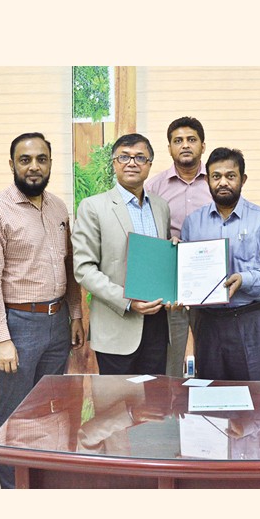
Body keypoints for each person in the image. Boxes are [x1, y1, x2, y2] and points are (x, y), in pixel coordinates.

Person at [0, 131, 85, 488]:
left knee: (49, 411)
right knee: (14, 414)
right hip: (18, 326)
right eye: (25, 160)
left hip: (58, 323)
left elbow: (69, 267)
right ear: (12, 164)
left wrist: (76, 314)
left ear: (50, 163)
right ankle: (13, 488)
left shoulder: (58, 208)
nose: (34, 166)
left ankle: (39, 483)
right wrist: (1, 339)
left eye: (41, 159)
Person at [181, 147, 260, 381]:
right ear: (207, 180)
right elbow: (184, 271)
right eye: (216, 176)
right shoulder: (193, 223)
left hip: (250, 319)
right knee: (210, 391)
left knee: (253, 392)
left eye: (230, 176)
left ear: (243, 179)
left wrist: (245, 279)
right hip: (207, 322)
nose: (223, 182)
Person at [72, 133, 173, 375]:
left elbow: (161, 261)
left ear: (149, 164)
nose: (132, 163)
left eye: (140, 157)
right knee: (117, 398)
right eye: (124, 157)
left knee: (155, 397)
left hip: (157, 325)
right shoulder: (93, 206)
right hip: (117, 325)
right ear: (114, 163)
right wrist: (128, 301)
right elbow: (84, 269)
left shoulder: (161, 206)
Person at [146, 117, 212, 377]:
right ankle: (171, 401)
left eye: (191, 139)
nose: (185, 145)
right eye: (178, 140)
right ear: (170, 148)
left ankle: (209, 401)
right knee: (171, 358)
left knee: (211, 355)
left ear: (202, 146)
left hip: (208, 280)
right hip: (169, 285)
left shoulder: (216, 182)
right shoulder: (154, 187)